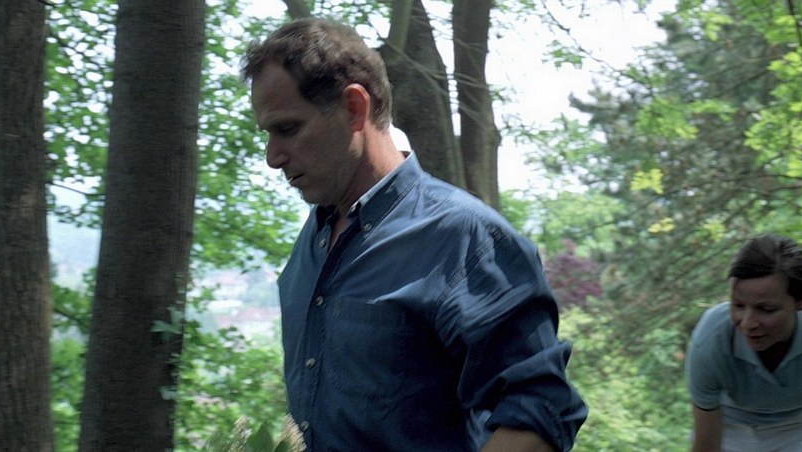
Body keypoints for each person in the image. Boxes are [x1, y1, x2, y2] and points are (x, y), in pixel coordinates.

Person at [241, 17, 587, 452]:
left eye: (288, 129)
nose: (272, 157)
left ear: (354, 108)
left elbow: (540, 411)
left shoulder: (467, 240)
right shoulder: (314, 239)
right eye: (268, 134)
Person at [686, 233, 802, 452]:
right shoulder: (711, 339)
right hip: (729, 428)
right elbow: (707, 441)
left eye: (766, 309)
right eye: (738, 306)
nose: (748, 323)